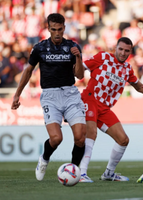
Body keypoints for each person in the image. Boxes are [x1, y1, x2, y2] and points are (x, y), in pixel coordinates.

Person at [79, 37, 143, 183]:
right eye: (121, 49)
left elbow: (140, 88)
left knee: (123, 140)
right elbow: (81, 68)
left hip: (104, 108)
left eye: (127, 51)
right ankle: (82, 173)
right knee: (91, 133)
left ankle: (108, 173)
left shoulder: (127, 69)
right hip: (90, 99)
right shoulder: (103, 57)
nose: (123, 53)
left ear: (130, 52)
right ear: (115, 48)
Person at [11, 13, 86, 181]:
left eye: (60, 29)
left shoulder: (73, 47)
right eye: (54, 30)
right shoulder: (39, 48)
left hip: (70, 93)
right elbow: (28, 71)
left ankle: (73, 171)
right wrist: (17, 95)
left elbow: (80, 76)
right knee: (56, 138)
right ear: (48, 29)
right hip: (50, 96)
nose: (57, 33)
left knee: (80, 137)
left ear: (64, 28)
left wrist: (78, 58)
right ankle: (44, 158)